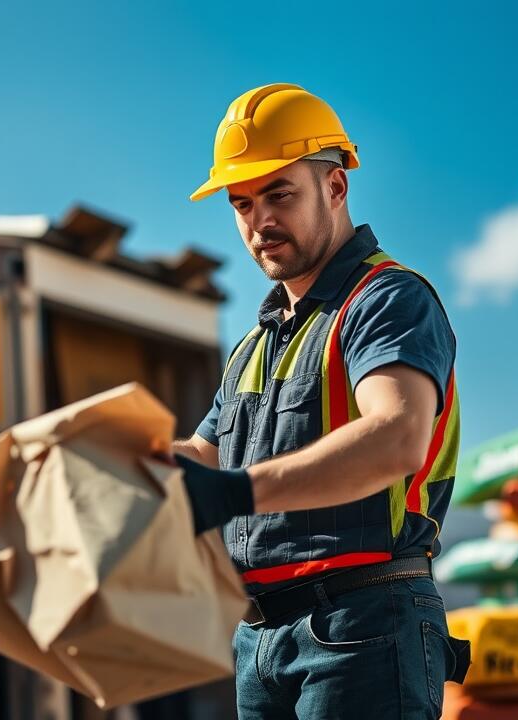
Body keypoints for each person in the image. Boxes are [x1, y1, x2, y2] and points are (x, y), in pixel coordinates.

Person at [171, 83, 471, 719]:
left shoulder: (387, 300)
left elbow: (397, 434)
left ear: (335, 187)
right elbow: (195, 459)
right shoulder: (255, 344)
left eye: (280, 194)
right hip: (261, 639)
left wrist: (239, 491)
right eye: (243, 203)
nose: (261, 221)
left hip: (365, 624)